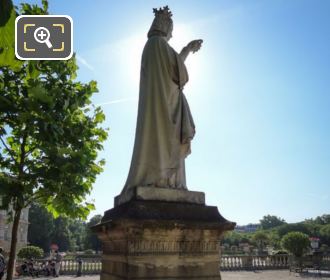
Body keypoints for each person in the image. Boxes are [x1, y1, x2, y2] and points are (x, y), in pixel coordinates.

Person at [120, 6, 202, 200]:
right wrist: (186, 50)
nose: (171, 34)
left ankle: (167, 180)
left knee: (165, 143)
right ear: (165, 27)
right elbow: (178, 74)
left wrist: (186, 50)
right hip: (166, 110)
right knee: (167, 143)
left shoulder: (153, 46)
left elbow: (173, 70)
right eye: (171, 30)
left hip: (166, 104)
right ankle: (164, 180)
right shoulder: (158, 44)